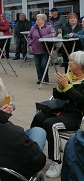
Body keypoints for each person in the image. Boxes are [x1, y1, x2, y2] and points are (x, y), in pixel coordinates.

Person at [31, 51, 84, 179]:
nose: (68, 62)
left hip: (76, 116)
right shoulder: (69, 75)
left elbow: (82, 100)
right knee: (39, 117)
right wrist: (60, 87)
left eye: (71, 60)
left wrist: (67, 87)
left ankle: (57, 161)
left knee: (51, 125)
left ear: (80, 64)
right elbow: (57, 96)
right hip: (61, 110)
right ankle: (32, 152)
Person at [28, 13, 53, 84]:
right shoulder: (33, 27)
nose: (36, 20)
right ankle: (40, 78)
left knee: (44, 64)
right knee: (37, 65)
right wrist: (30, 43)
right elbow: (29, 36)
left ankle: (46, 78)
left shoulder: (49, 27)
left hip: (45, 49)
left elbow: (53, 34)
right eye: (36, 19)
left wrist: (43, 39)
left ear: (43, 20)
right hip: (35, 49)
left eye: (38, 19)